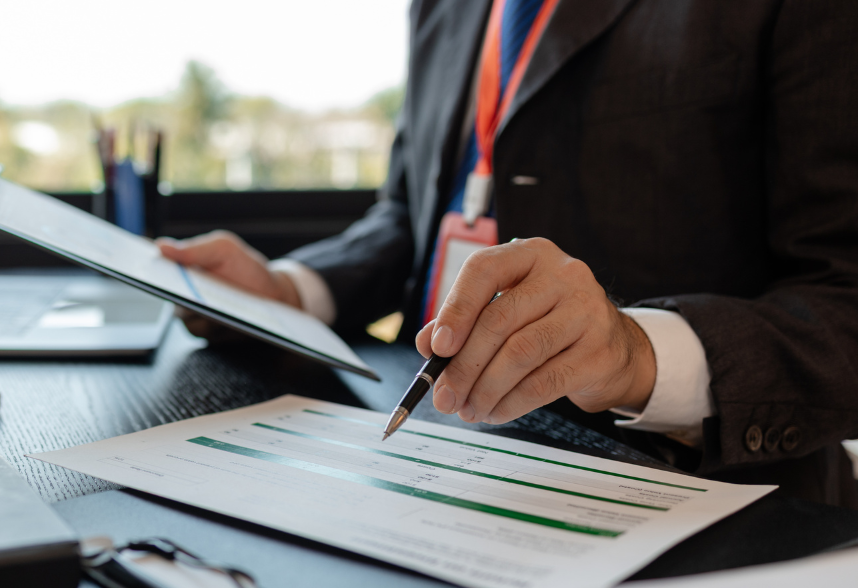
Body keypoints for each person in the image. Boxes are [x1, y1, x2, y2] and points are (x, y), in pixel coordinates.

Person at [159, 0, 858, 506]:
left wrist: (637, 353)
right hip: (442, 461)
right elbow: (414, 214)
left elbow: (845, 292)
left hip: (702, 497)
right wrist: (290, 290)